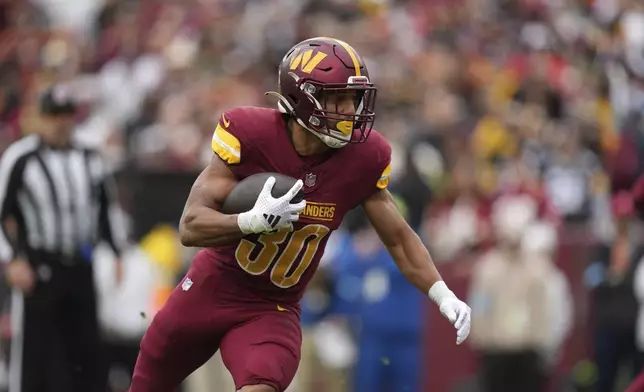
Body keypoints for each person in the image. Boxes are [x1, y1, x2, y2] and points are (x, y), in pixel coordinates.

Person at [130, 37, 471, 392]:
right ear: (301, 97)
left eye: (353, 100)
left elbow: (399, 238)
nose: (349, 112)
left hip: (272, 307)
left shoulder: (364, 158)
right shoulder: (251, 134)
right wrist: (250, 221)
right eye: (336, 98)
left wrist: (442, 294)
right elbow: (190, 226)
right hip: (210, 288)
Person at [0, 85, 126, 392]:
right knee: (35, 353)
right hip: (39, 267)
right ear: (40, 118)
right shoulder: (21, 157)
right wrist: (12, 258)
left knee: (86, 352)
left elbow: (105, 207)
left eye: (67, 115)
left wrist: (117, 251)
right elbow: (3, 211)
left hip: (81, 265)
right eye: (55, 115)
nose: (62, 122)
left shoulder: (90, 157)